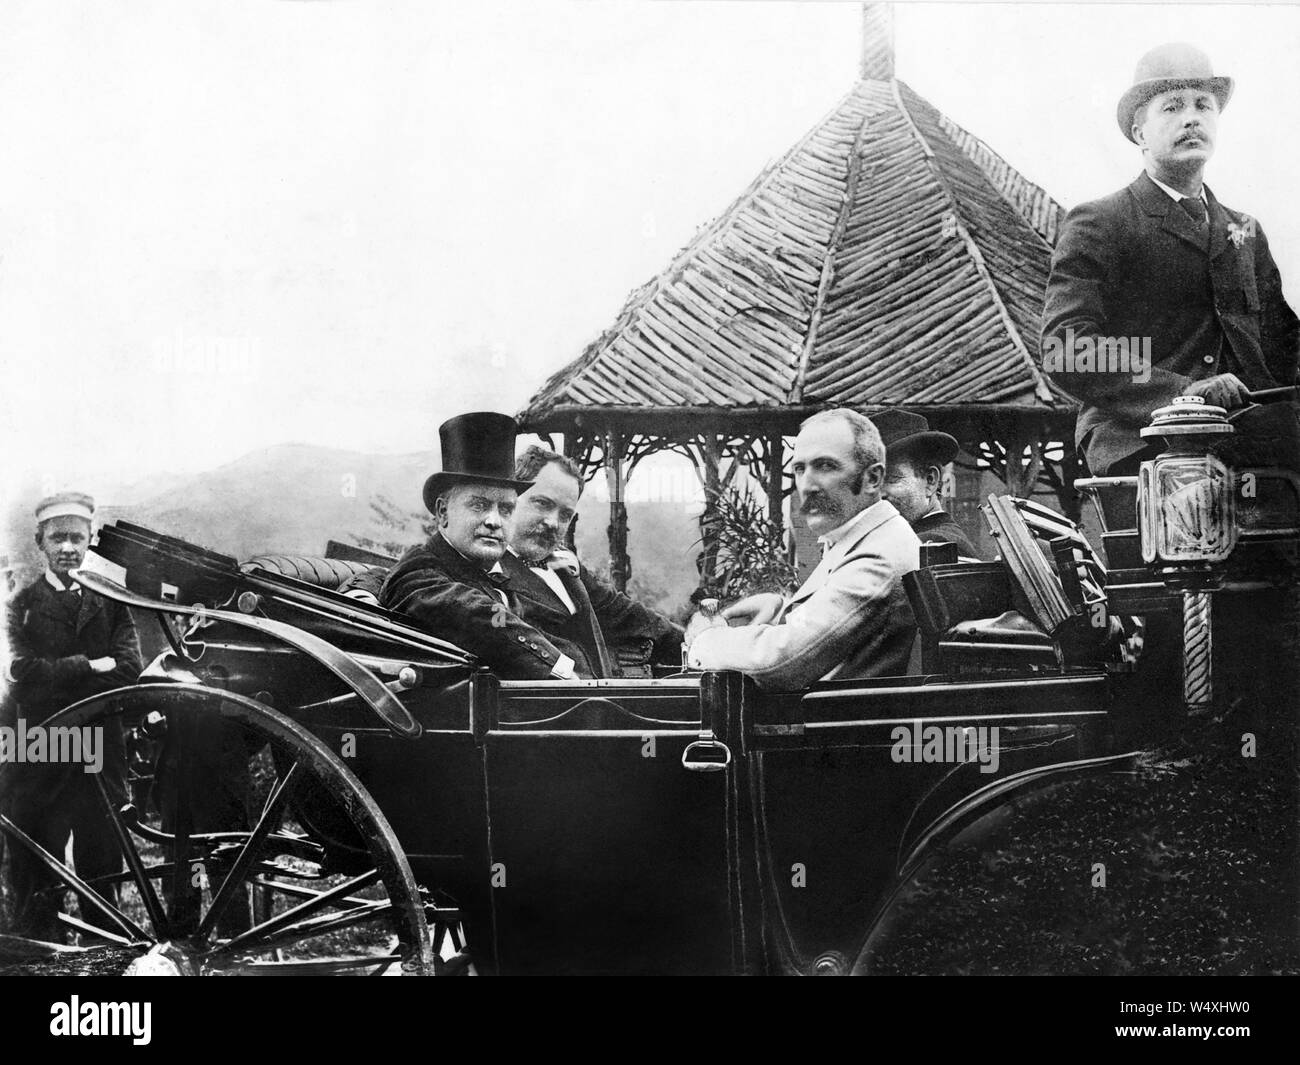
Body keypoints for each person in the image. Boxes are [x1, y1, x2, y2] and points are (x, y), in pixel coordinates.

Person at [1042, 42, 1300, 478]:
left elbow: (1283, 345)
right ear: (1139, 133)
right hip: (1144, 439)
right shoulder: (1103, 222)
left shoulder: (1243, 230)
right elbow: (1067, 347)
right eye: (1172, 107)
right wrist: (1183, 393)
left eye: (1204, 105)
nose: (1192, 117)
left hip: (1250, 437)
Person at [685, 409, 920, 690]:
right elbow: (832, 627)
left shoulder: (879, 554)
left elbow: (780, 661)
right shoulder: (865, 536)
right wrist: (778, 609)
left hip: (839, 729)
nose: (807, 485)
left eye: (826, 466)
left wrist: (706, 638)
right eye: (800, 469)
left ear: (872, 479)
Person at [2, 492, 141, 941]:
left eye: (77, 538)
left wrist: (57, 676)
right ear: (39, 541)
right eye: (57, 537)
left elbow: (129, 670)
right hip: (40, 749)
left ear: (90, 541)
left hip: (101, 751)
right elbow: (20, 675)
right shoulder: (18, 606)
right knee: (35, 864)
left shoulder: (111, 602)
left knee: (102, 861)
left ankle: (107, 950)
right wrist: (88, 666)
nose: (68, 547)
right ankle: (39, 954)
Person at [379, 413, 580, 679]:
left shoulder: (495, 575)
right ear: (443, 512)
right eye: (479, 505)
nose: (494, 521)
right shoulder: (418, 572)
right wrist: (564, 672)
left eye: (506, 509)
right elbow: (479, 614)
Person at [501, 446, 682, 677]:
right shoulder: (488, 573)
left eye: (565, 515)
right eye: (543, 504)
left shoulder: (564, 566)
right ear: (510, 499)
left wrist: (698, 644)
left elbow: (628, 614)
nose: (553, 523)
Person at [874, 409, 983, 560]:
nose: (878, 494)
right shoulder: (937, 537)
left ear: (930, 480)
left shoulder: (930, 545)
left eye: (891, 479)